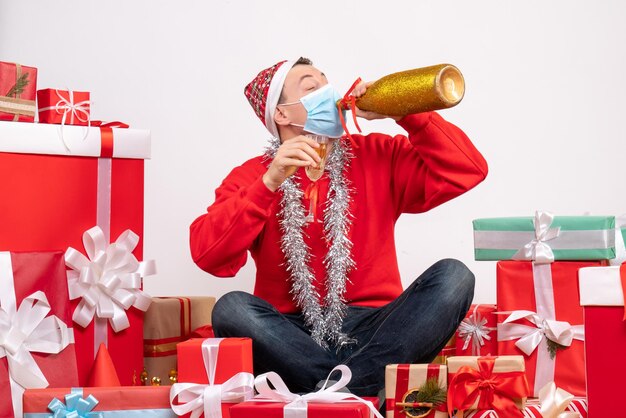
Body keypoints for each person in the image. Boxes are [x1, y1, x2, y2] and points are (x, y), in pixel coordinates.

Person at [190, 57, 488, 396]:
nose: (329, 92)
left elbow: (467, 169)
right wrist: (268, 182)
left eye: (326, 81)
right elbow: (207, 254)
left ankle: (336, 392)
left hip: (377, 329)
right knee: (230, 308)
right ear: (282, 114)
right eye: (311, 87)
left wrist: (404, 113)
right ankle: (358, 388)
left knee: (454, 277)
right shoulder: (254, 174)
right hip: (291, 336)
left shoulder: (377, 153)